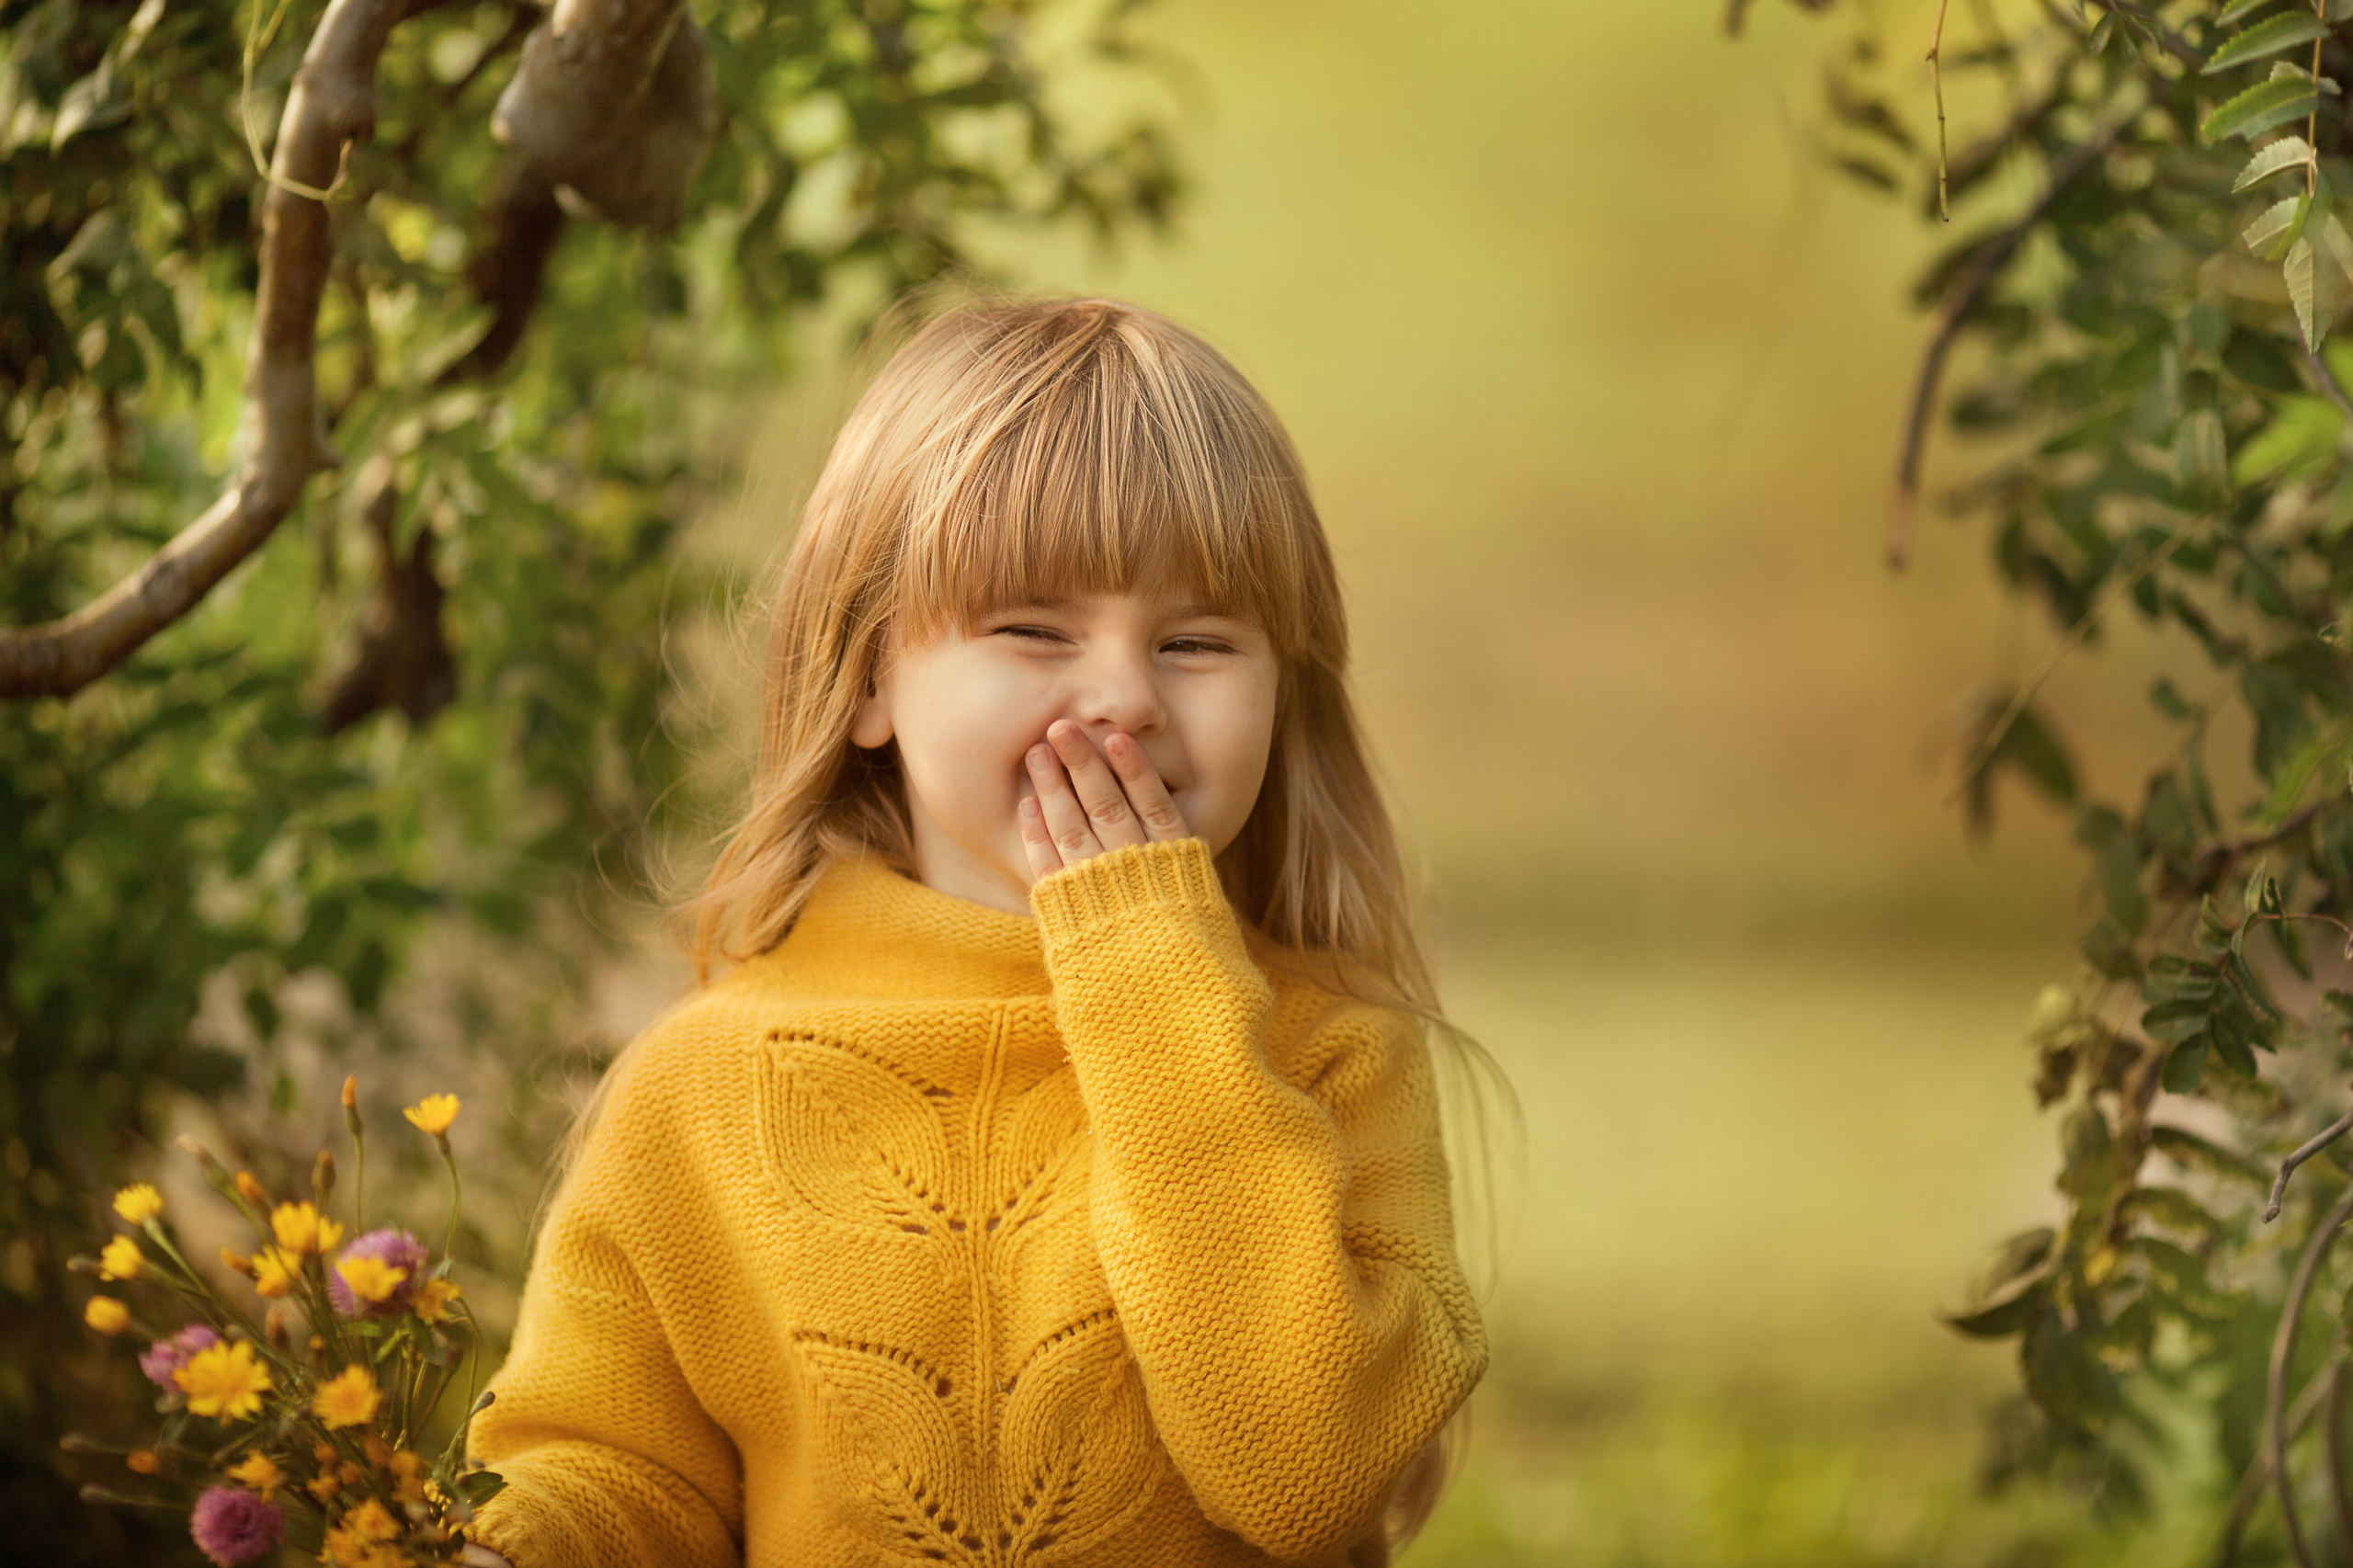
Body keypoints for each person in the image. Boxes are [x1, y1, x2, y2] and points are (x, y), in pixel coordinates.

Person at [465, 296, 1489, 1568]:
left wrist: (1148, 968)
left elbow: (1306, 1468)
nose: (1123, 694)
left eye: (1196, 641)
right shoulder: (704, 1078)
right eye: (1034, 629)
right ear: (870, 675)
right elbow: (619, 1466)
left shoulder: (1334, 1056)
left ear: (1288, 687)